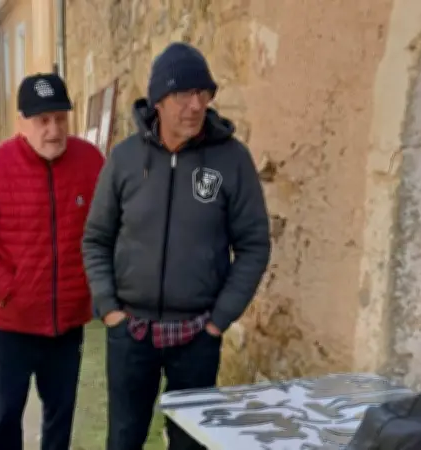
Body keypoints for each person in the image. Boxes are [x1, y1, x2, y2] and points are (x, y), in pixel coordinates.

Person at [82, 42, 271, 450]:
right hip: (130, 331)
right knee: (124, 438)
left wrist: (219, 319)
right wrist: (110, 309)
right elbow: (96, 238)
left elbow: (254, 244)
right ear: (158, 101)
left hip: (197, 335)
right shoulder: (124, 159)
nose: (196, 104)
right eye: (183, 94)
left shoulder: (232, 160)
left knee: (190, 443)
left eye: (203, 94)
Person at [0, 73, 104, 450]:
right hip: (12, 324)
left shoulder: (91, 161)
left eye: (60, 119)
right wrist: (8, 287)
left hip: (68, 322)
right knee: (5, 417)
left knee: (60, 416)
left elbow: (110, 228)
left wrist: (94, 287)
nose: (53, 130)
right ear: (22, 123)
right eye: (42, 120)